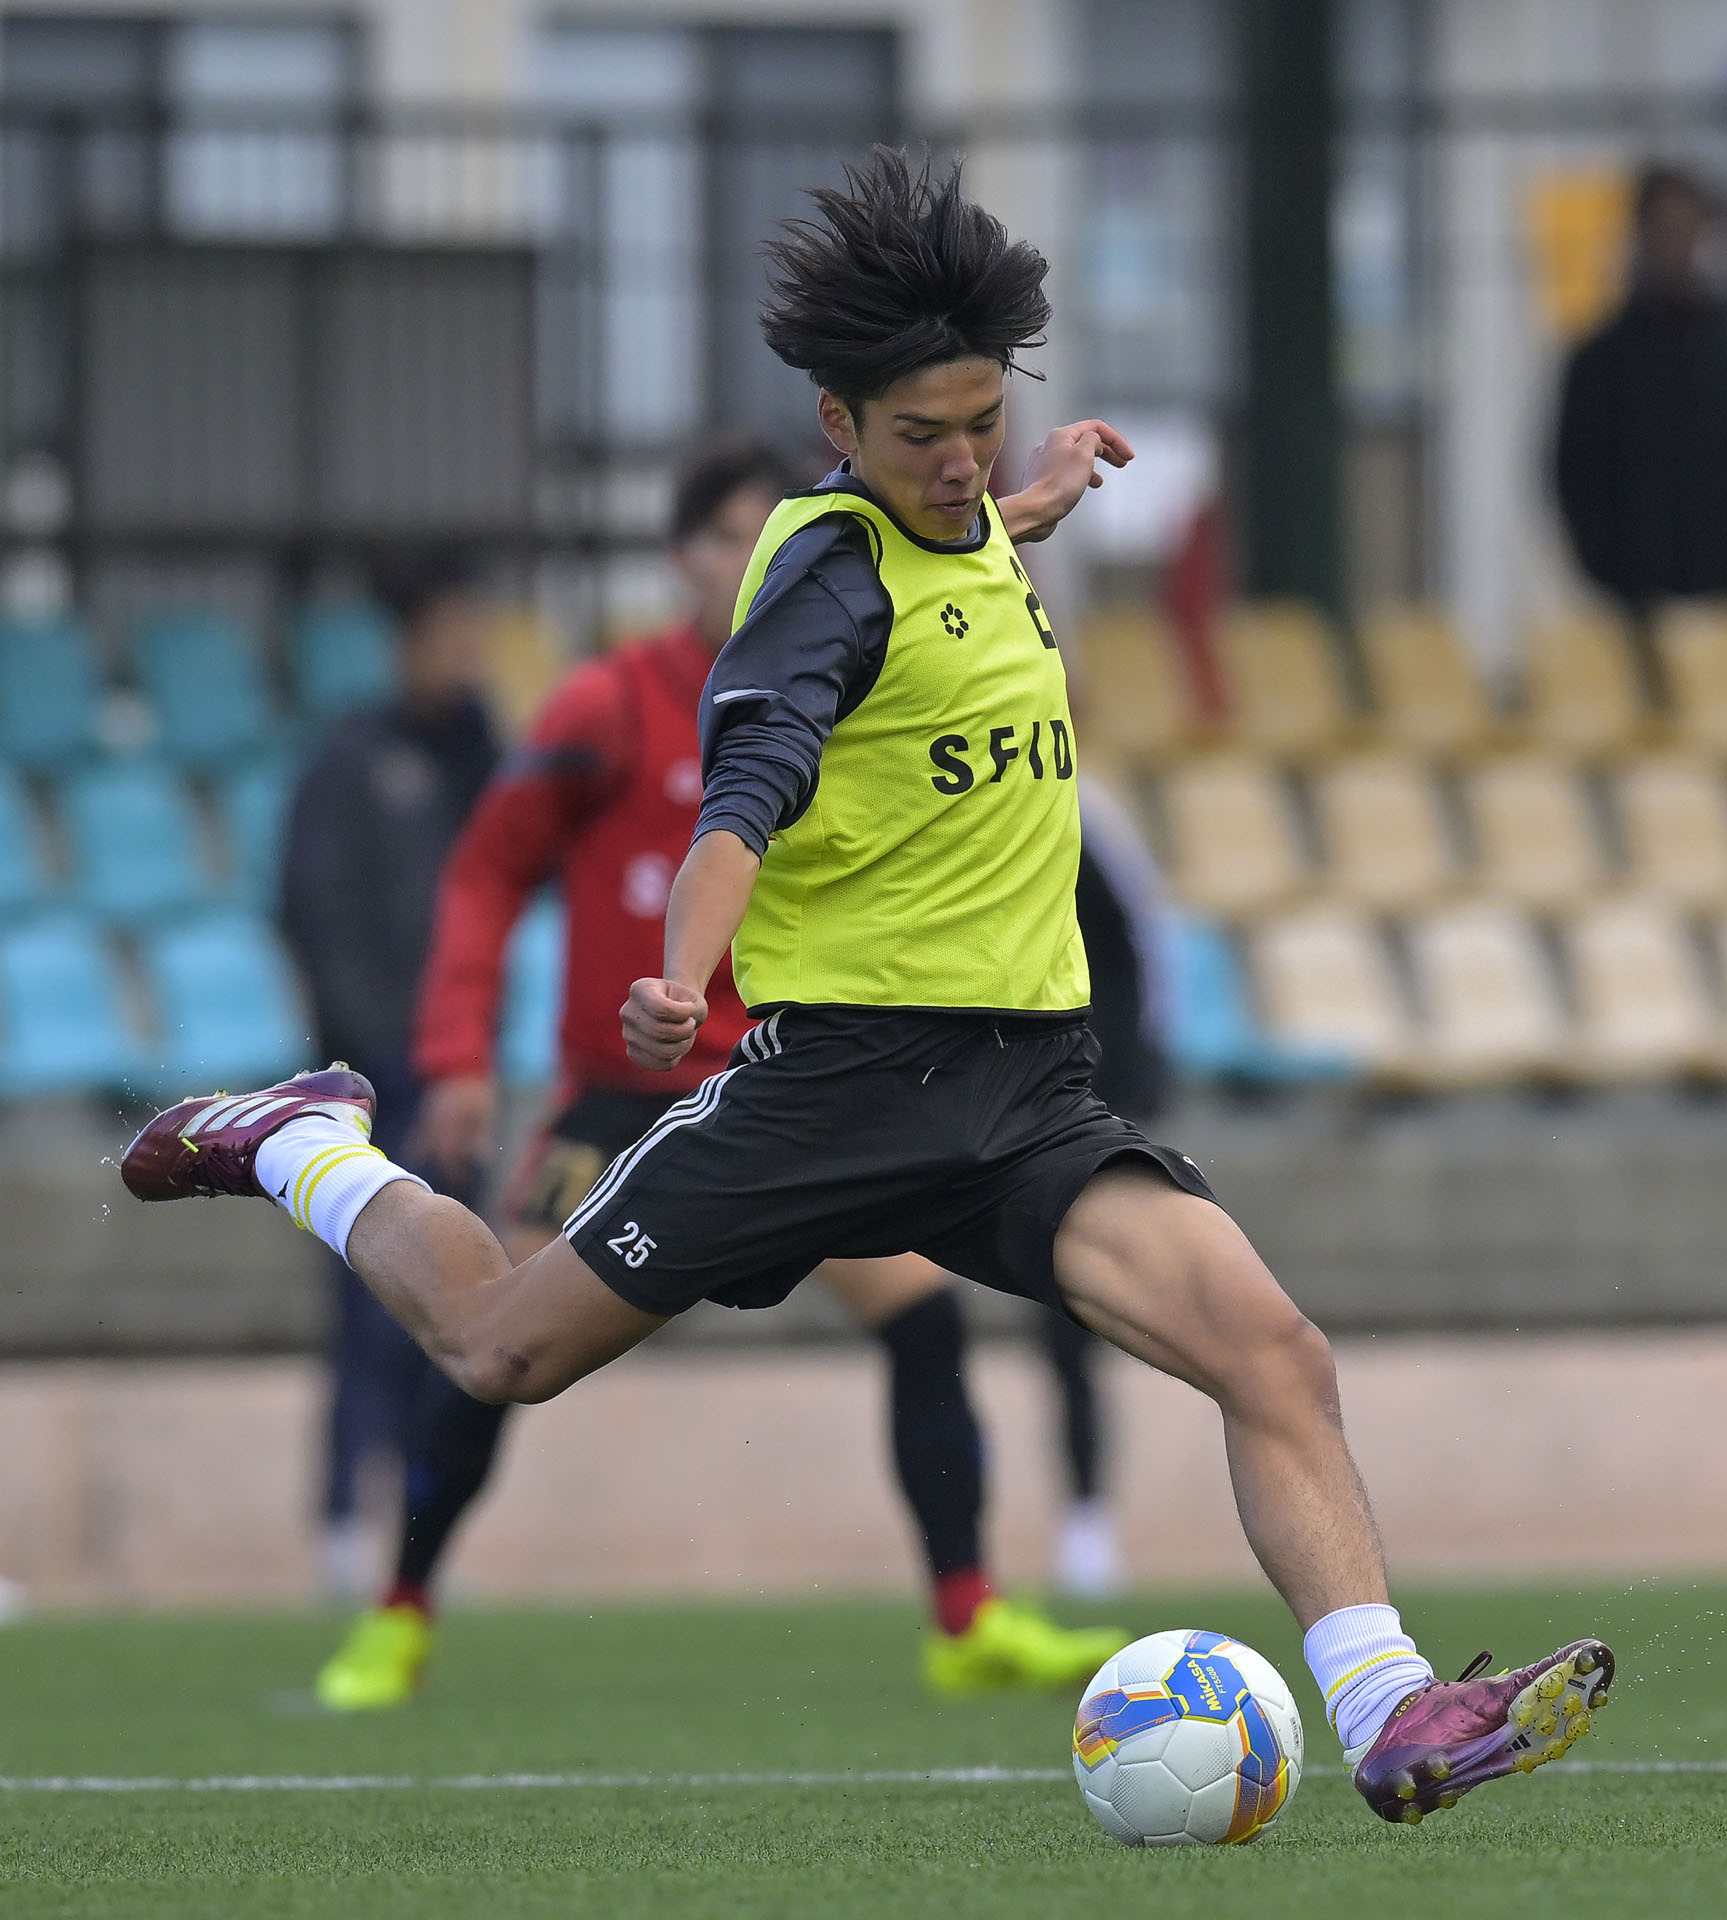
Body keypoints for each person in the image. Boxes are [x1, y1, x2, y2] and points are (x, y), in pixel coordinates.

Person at [122, 148, 1613, 1824]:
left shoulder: (967, 518)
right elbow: (737, 809)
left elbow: (966, 549)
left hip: (1028, 1092)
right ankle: (304, 1144)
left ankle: (1393, 1711)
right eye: (925, 435)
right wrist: (684, 984)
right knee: (494, 1350)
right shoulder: (818, 582)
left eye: (984, 419)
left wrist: (1032, 494)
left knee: (1273, 1349)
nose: (964, 460)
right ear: (837, 425)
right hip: (836, 1091)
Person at [309, 443, 1121, 1711]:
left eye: (776, 540)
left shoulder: (859, 659)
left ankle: (964, 1615)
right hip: (620, 1096)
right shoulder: (606, 706)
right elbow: (484, 875)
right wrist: (456, 1058)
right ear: (684, 559)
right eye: (733, 541)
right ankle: (399, 1615)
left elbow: (956, 563)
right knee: (499, 1342)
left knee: (922, 1315)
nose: (761, 564)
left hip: (785, 1087)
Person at [279, 548, 500, 1600]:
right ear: (409, 642)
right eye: (451, 631)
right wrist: (372, 1054)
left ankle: (417, 1536)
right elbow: (317, 918)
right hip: (373, 1083)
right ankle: (339, 1519)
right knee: (368, 1314)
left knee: (452, 1314)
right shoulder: (351, 763)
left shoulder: (480, 758)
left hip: (456, 1074)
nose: (469, 653)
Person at [1040, 774, 1178, 1600]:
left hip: (1090, 1096)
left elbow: (1147, 943)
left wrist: (1137, 1077)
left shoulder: (1087, 808)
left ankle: (1088, 1520)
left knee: (1080, 1309)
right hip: (993, 1090)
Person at [1553, 163, 1727, 614]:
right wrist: (1617, 575)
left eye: (1689, 229)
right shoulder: (1601, 363)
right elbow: (1575, 475)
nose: (1677, 246)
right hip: (1635, 609)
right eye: (1664, 230)